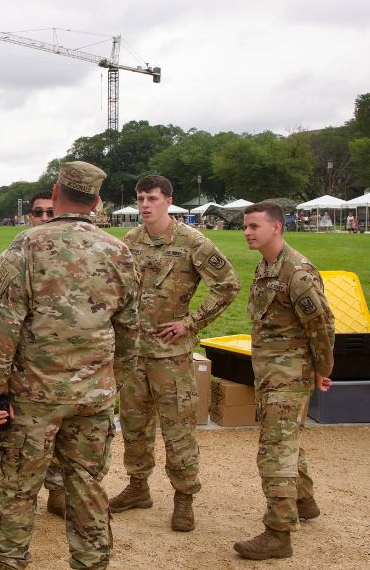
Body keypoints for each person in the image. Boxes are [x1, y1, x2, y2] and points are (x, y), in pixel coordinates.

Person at [0, 161, 139, 569]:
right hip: (93, 395)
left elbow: (2, 327)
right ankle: (91, 562)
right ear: (98, 200)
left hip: (34, 397)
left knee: (18, 489)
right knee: (87, 485)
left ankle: (11, 562)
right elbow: (130, 329)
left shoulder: (26, 247)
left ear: (55, 193)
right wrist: (111, 382)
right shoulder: (118, 251)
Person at [110, 175, 239, 531]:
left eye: (152, 198)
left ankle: (184, 498)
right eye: (140, 198)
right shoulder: (130, 241)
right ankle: (138, 488)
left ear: (169, 200)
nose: (145, 204)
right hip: (135, 355)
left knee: (178, 429)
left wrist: (191, 322)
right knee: (135, 426)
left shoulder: (192, 242)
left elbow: (228, 285)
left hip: (170, 355)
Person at [234, 201, 335, 560]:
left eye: (253, 226)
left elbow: (321, 325)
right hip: (271, 373)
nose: (247, 232)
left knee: (275, 449)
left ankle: (279, 533)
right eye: (245, 226)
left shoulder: (297, 271)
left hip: (289, 375)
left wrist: (324, 368)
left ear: (276, 227)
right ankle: (304, 502)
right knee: (287, 439)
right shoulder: (266, 266)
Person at [23, 190, 68, 517]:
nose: (43, 219)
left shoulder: (79, 250)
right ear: (29, 217)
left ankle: (58, 489)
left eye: (50, 213)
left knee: (67, 431)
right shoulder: (20, 251)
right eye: (38, 213)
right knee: (31, 434)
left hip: (71, 360)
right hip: (32, 361)